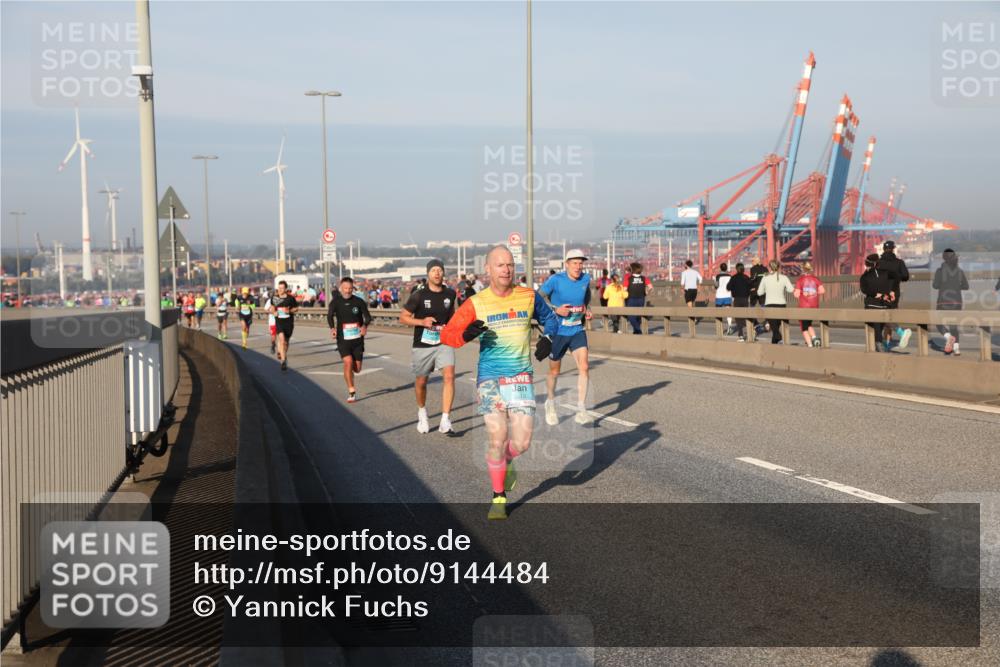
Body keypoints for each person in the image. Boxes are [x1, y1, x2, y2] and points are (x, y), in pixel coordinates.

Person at [440, 245, 558, 520]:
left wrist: (548, 338)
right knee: (497, 437)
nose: (506, 269)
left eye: (510, 264)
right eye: (500, 265)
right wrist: (466, 334)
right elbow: (448, 335)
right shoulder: (476, 302)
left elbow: (550, 319)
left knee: (522, 442)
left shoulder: (528, 296)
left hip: (519, 377)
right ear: (488, 269)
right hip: (490, 378)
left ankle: (504, 463)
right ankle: (498, 497)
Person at [400, 259, 457, 435]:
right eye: (433, 270)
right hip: (422, 344)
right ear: (428, 274)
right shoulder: (419, 295)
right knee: (421, 382)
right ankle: (422, 413)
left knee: (449, 376)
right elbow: (403, 317)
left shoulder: (450, 294)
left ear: (443, 273)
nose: (437, 273)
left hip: (443, 341)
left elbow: (453, 315)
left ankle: (445, 419)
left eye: (440, 270)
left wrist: (454, 328)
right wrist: (422, 322)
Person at [539, 249, 594, 427]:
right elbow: (538, 298)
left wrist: (587, 307)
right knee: (555, 371)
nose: (578, 267)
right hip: (558, 331)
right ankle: (550, 403)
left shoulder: (585, 279)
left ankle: (581, 409)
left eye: (581, 263)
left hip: (577, 329)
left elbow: (586, 294)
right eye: (574, 263)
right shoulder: (556, 280)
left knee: (584, 367)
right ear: (567, 264)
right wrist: (555, 309)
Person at [328, 277, 373, 403]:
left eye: (350, 288)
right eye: (345, 288)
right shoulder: (335, 302)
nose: (348, 291)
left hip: (357, 340)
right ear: (341, 288)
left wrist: (364, 326)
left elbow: (368, 317)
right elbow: (330, 316)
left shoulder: (359, 302)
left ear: (353, 288)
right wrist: (332, 328)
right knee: (348, 362)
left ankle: (351, 375)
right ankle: (351, 391)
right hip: (343, 339)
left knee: (357, 369)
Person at [932, 248, 969, 356]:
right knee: (954, 326)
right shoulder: (960, 271)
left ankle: (948, 337)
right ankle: (957, 349)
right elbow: (966, 286)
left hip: (943, 302)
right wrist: (957, 286)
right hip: (957, 302)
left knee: (938, 323)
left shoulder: (940, 271)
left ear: (944, 258)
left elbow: (935, 285)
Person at [877, 240, 912, 349]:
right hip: (894, 293)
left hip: (881, 293)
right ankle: (887, 345)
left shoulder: (878, 263)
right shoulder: (899, 262)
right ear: (893, 249)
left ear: (883, 249)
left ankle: (900, 333)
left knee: (884, 318)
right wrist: (897, 277)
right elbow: (906, 276)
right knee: (890, 316)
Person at [860, 253, 895, 352]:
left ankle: (878, 344)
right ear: (877, 263)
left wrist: (875, 294)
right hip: (884, 304)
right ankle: (880, 344)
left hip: (871, 304)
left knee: (876, 327)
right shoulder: (885, 273)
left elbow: (864, 289)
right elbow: (894, 279)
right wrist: (891, 291)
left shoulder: (864, 276)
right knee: (881, 325)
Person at [756, 260, 794, 344]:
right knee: (776, 326)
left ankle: (778, 337)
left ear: (769, 267)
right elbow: (791, 289)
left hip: (770, 305)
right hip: (781, 305)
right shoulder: (784, 277)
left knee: (774, 327)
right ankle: (774, 344)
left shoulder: (765, 278)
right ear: (779, 267)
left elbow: (759, 293)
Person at [793, 262, 826, 347]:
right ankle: (814, 338)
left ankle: (810, 344)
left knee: (803, 327)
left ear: (802, 270)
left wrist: (801, 292)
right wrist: (813, 293)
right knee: (809, 324)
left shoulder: (800, 280)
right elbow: (822, 291)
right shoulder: (816, 279)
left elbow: (796, 295)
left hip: (804, 306)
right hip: (814, 306)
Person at [269, 280, 299, 371]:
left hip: (289, 323)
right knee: (281, 340)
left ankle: (284, 355)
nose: (280, 290)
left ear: (285, 289)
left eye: (282, 288)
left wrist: (289, 311)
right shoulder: (275, 298)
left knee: (286, 342)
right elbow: (272, 308)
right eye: (279, 288)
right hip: (279, 322)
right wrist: (273, 312)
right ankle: (283, 361)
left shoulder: (290, 298)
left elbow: (296, 308)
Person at [623, 262, 653, 334]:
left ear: (632, 269)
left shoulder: (628, 279)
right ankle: (636, 330)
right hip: (641, 299)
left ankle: (637, 329)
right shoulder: (644, 278)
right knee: (638, 315)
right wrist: (646, 292)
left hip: (631, 299)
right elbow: (651, 287)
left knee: (631, 315)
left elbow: (624, 289)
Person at [726, 263, 752, 341]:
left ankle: (741, 335)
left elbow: (728, 288)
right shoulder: (747, 278)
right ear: (743, 269)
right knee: (746, 316)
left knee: (738, 318)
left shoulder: (733, 278)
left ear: (736, 269)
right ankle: (751, 332)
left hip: (737, 299)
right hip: (745, 299)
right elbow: (750, 287)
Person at [749, 257, 768, 333]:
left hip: (755, 290)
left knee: (752, 306)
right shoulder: (765, 269)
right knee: (763, 306)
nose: (751, 262)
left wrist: (750, 286)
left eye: (752, 261)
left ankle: (754, 323)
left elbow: (753, 278)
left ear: (756, 262)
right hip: (763, 290)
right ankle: (767, 321)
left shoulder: (753, 269)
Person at [714, 262, 733, 334]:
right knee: (728, 312)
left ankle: (719, 329)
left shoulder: (718, 276)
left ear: (720, 268)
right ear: (726, 268)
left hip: (719, 296)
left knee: (719, 312)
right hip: (727, 295)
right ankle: (730, 326)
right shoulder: (730, 276)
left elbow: (716, 286)